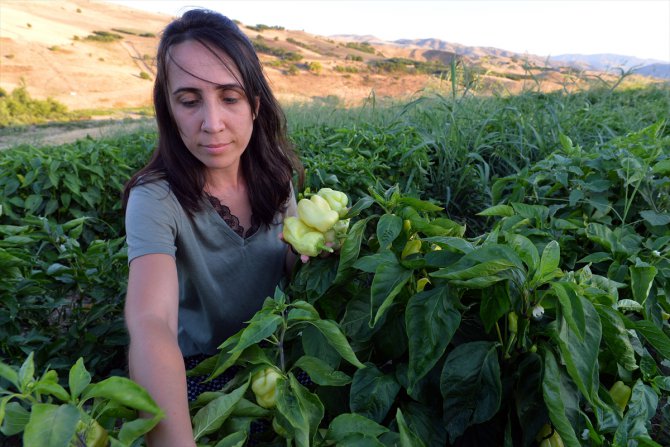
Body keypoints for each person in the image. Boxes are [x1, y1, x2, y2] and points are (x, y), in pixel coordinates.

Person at [121, 8, 302, 446]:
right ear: (169, 110)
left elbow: (292, 265)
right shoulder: (155, 199)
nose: (212, 123)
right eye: (189, 100)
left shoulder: (277, 178)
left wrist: (316, 249)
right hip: (202, 370)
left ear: (255, 107)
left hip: (275, 355)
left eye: (230, 97)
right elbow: (151, 321)